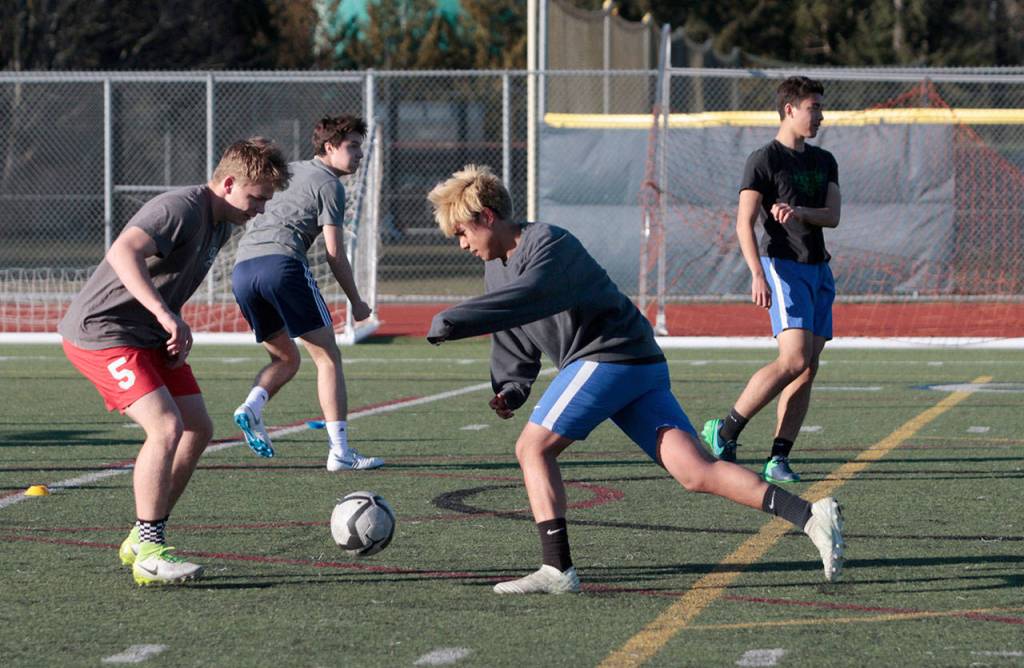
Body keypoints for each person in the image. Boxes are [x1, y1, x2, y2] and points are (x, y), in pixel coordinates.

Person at [425, 164, 844, 594]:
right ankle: (811, 517)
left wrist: (454, 320)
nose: (462, 244)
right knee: (696, 472)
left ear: (487, 217)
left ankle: (557, 569)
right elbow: (515, 329)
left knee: (532, 448)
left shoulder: (548, 243)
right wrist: (511, 388)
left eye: (461, 232)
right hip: (634, 363)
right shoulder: (497, 268)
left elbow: (528, 297)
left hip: (609, 357)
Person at [59, 138, 289, 585]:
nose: (259, 210)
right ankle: (149, 548)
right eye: (256, 198)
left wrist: (171, 321)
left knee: (198, 427)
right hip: (103, 333)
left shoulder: (221, 222)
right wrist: (165, 314)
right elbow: (123, 252)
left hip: (147, 335)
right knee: (165, 427)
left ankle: (141, 535)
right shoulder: (180, 207)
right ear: (227, 183)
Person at [702, 76, 841, 484]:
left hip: (819, 269)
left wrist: (800, 212)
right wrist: (756, 274)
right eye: (813, 107)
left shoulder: (824, 160)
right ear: (790, 110)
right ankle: (725, 428)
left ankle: (778, 458)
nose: (819, 115)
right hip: (784, 266)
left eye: (820, 107)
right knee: (794, 359)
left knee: (808, 367)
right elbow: (744, 222)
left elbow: (832, 216)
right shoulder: (764, 159)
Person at [230, 114, 382, 471]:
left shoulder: (289, 171)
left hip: (242, 271)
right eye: (353, 146)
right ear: (329, 147)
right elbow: (334, 254)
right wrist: (357, 302)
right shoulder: (330, 185)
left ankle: (251, 405)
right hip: (281, 266)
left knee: (286, 358)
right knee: (327, 358)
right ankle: (341, 453)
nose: (360, 154)